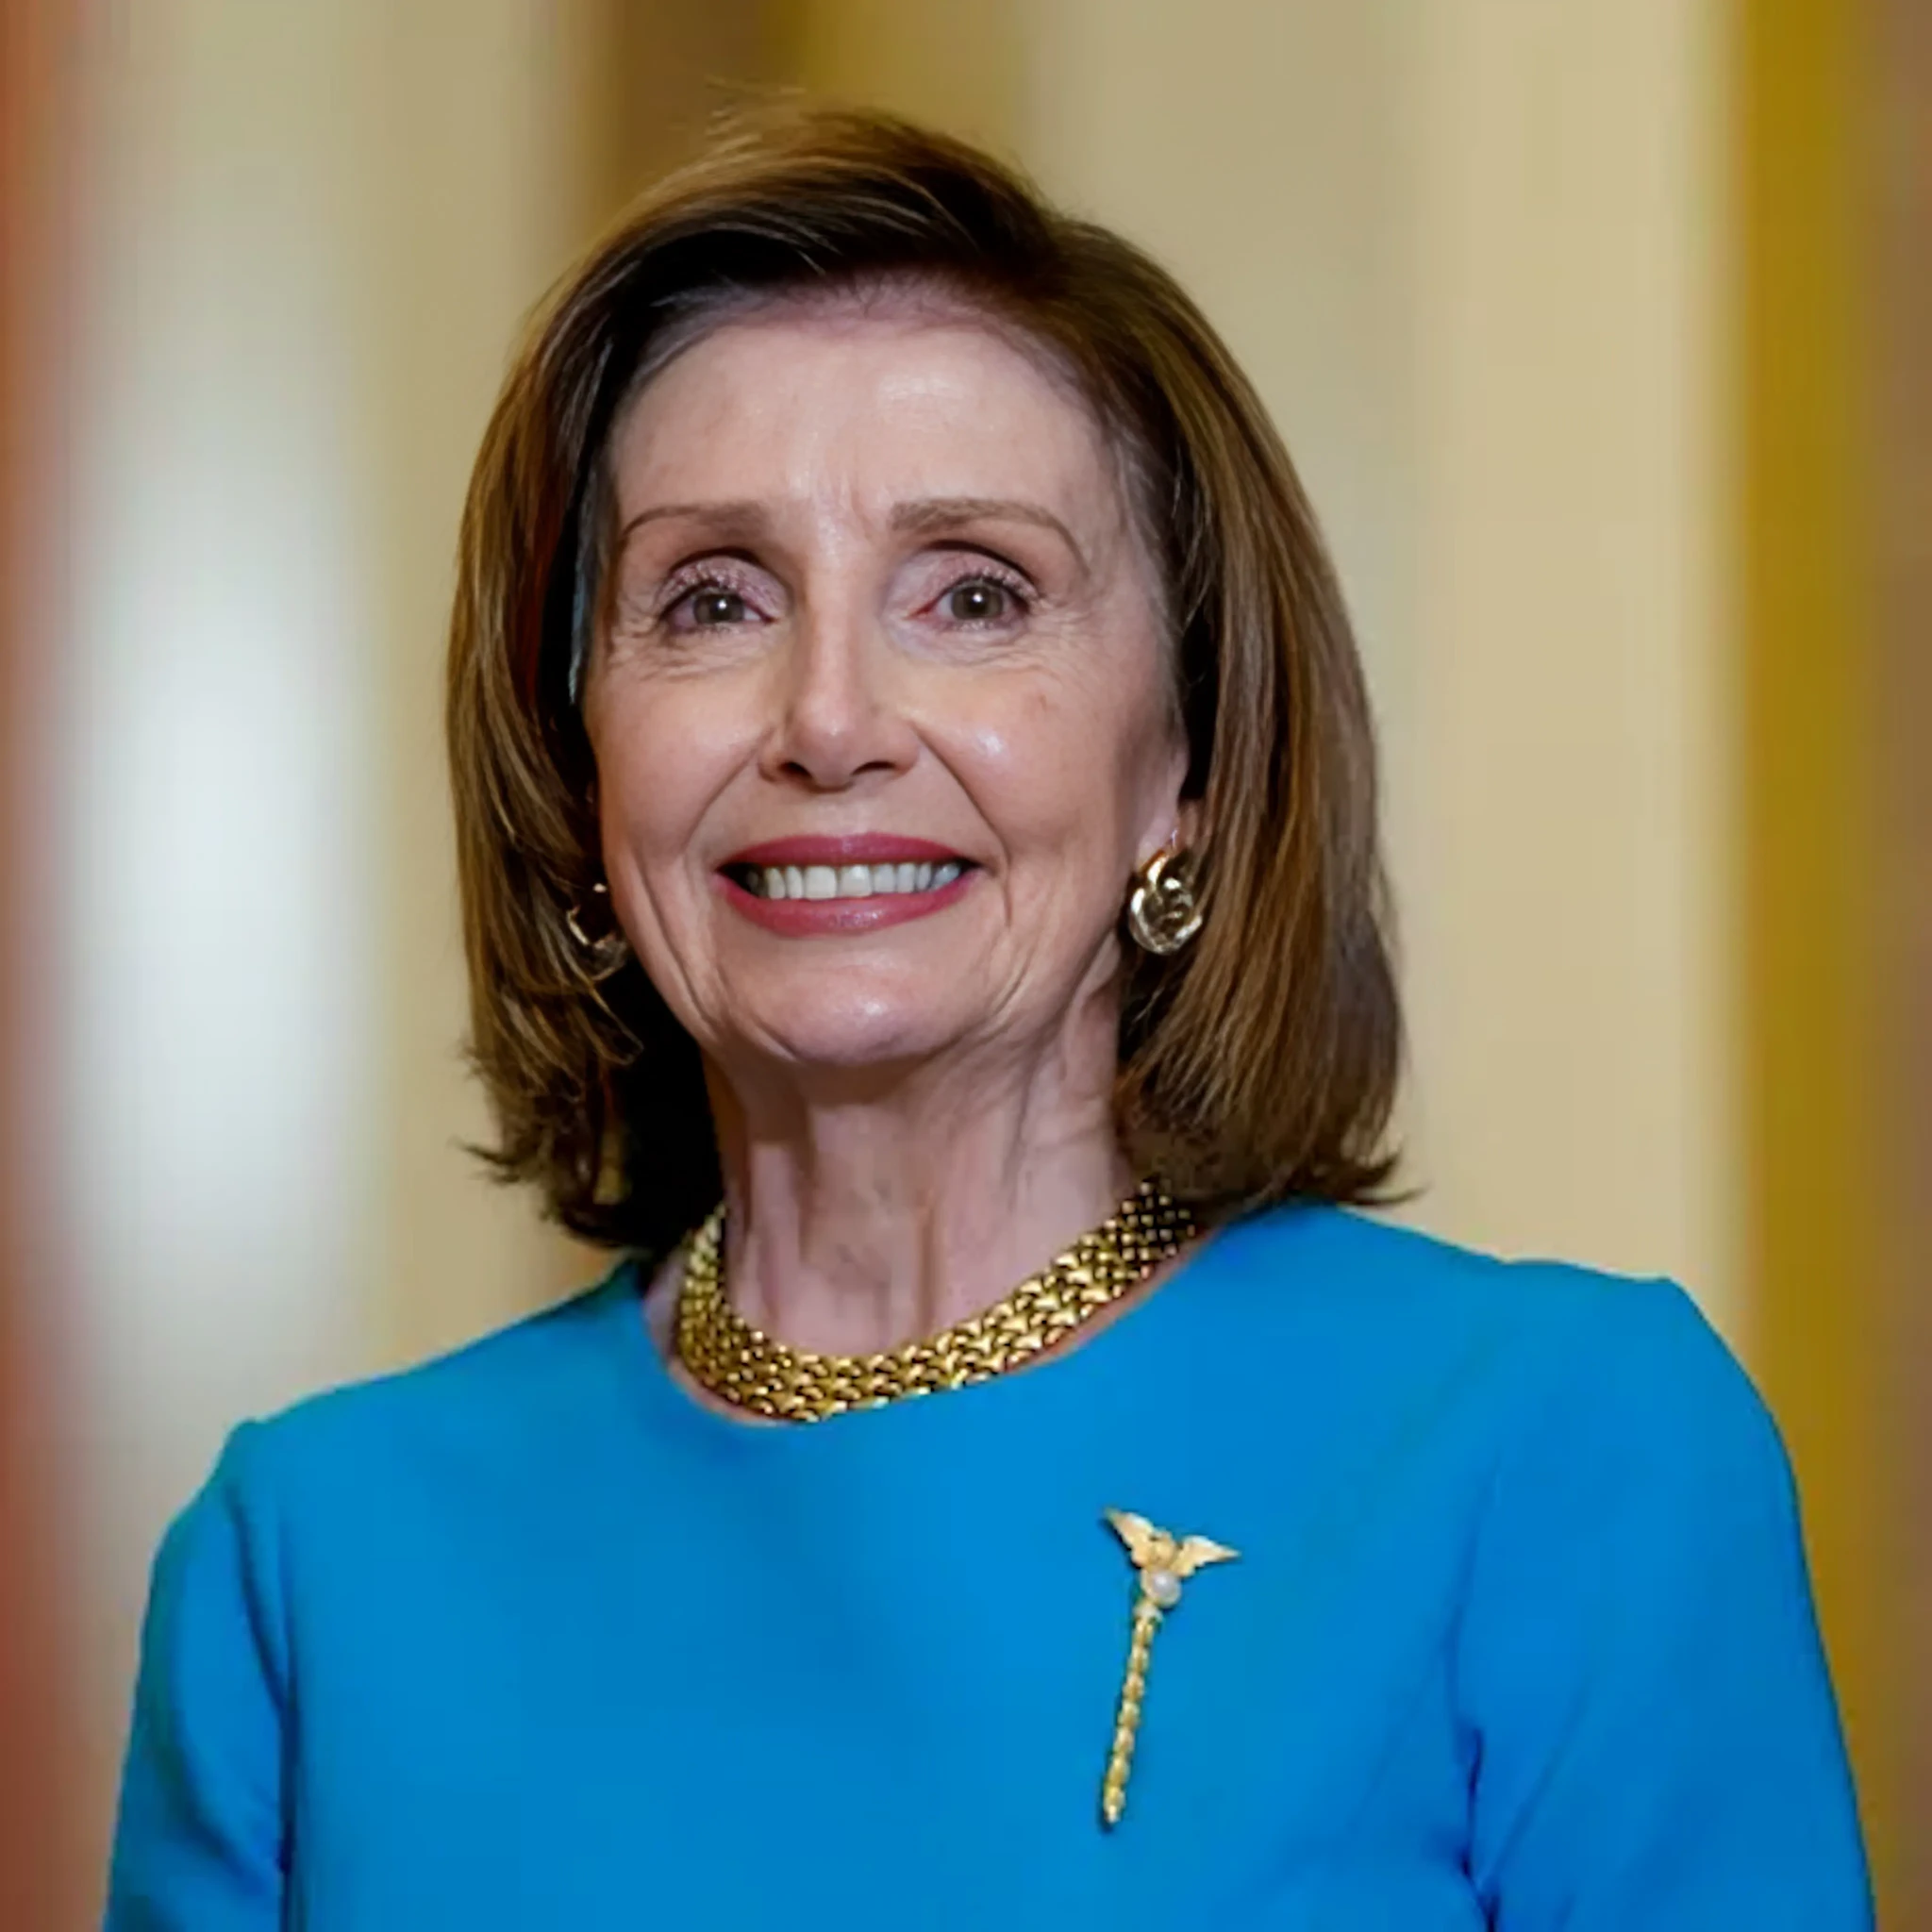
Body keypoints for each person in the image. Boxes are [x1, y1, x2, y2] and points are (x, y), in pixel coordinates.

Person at [105, 109, 1871, 1929]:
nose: (830, 717)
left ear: (1184, 763)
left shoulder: (1562, 1457)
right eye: (711, 599)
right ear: (578, 760)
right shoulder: (309, 1565)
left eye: (974, 592)